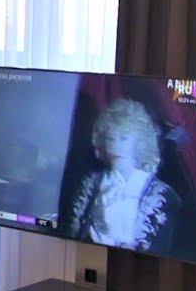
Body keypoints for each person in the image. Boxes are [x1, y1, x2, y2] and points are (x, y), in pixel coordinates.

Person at [67, 98, 181, 252]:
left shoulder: (164, 196)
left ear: (139, 142)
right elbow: (71, 235)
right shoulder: (89, 183)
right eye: (110, 138)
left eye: (124, 139)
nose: (116, 146)